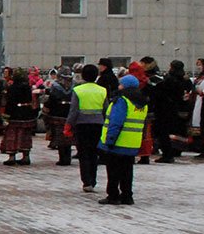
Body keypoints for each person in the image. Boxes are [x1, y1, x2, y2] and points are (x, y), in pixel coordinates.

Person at [98, 75, 148, 205]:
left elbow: (116, 122)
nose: (118, 86)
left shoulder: (122, 101)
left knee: (113, 170)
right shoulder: (142, 102)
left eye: (120, 84)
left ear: (124, 86)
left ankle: (113, 195)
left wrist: (109, 140)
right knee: (127, 170)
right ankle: (127, 195)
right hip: (132, 142)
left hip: (118, 141)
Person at [66, 64, 108, 193]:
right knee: (94, 153)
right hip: (98, 125)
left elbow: (73, 111)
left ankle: (86, 181)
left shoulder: (78, 90)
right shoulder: (102, 90)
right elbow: (106, 109)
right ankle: (93, 180)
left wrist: (68, 124)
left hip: (82, 125)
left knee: (83, 154)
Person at [153, 60, 192, 163]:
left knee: (163, 132)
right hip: (180, 109)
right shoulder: (185, 80)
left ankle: (167, 154)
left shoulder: (170, 79)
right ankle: (177, 149)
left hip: (167, 109)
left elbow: (161, 92)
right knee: (178, 130)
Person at [1, 68, 36, 165]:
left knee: (13, 135)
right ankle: (26, 156)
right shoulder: (28, 87)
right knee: (26, 135)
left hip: (15, 113)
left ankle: (12, 157)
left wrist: (6, 115)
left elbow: (10, 102)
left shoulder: (12, 88)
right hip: (27, 112)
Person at [43, 67, 75, 165]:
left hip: (57, 113)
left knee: (60, 136)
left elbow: (51, 100)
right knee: (68, 135)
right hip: (69, 112)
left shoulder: (55, 86)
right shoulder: (74, 86)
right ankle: (68, 157)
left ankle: (62, 158)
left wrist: (47, 108)